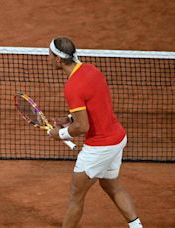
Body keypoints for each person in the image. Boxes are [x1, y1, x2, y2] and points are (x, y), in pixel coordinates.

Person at [47, 37, 143, 228]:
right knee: (110, 185)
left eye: (49, 54)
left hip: (101, 147)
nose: (47, 57)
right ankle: (137, 226)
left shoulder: (72, 87)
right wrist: (69, 118)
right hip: (118, 138)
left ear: (58, 60)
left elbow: (83, 127)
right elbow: (94, 104)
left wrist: (60, 134)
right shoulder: (91, 69)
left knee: (76, 195)